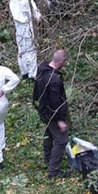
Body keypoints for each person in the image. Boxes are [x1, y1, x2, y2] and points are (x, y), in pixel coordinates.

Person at [32, 49, 70, 178]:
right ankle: (54, 172)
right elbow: (56, 102)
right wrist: (60, 120)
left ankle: (48, 160)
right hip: (52, 114)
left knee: (49, 134)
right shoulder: (53, 80)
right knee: (61, 140)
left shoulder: (41, 72)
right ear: (61, 62)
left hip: (44, 111)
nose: (65, 64)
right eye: (64, 62)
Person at [9, 0, 42, 80]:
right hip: (28, 28)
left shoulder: (13, 0)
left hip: (19, 30)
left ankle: (24, 72)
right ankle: (33, 75)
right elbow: (37, 16)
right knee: (31, 51)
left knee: (21, 51)